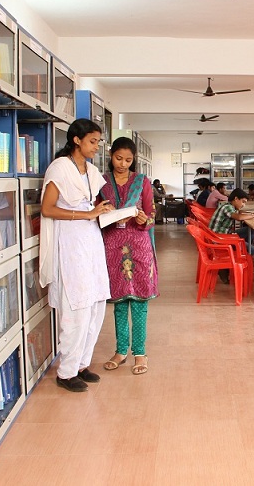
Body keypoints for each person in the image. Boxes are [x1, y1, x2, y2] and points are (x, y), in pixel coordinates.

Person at [39, 118, 113, 392]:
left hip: (90, 240)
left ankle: (82, 364)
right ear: (76, 140)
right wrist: (87, 214)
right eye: (92, 141)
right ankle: (66, 372)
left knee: (96, 304)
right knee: (77, 306)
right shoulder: (60, 168)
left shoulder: (90, 170)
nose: (96, 147)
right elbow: (48, 208)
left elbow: (90, 206)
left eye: (98, 142)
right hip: (70, 242)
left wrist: (103, 211)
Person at [97, 137, 159, 375]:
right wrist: (105, 213)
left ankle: (140, 353)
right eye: (118, 158)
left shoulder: (142, 182)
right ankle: (121, 350)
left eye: (128, 160)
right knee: (119, 302)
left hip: (139, 246)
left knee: (140, 301)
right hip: (113, 245)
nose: (122, 164)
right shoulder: (101, 182)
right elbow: (95, 214)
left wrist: (144, 219)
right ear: (110, 155)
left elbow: (151, 213)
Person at [208, 188, 254, 282]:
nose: (243, 205)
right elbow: (239, 217)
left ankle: (244, 256)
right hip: (219, 239)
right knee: (251, 249)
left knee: (248, 230)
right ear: (236, 199)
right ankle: (227, 267)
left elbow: (240, 213)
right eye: (243, 202)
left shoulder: (228, 205)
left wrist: (253, 213)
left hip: (223, 235)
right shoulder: (227, 207)